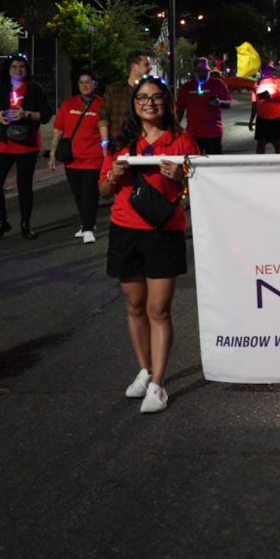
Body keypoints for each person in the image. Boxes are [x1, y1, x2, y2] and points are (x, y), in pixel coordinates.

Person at [98, 76, 199, 414]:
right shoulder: (120, 144)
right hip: (125, 229)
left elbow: (200, 188)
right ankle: (144, 370)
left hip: (165, 231)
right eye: (142, 98)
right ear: (134, 103)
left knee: (160, 309)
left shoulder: (183, 141)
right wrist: (112, 176)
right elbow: (103, 190)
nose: (149, 103)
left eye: (156, 97)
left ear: (167, 102)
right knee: (135, 306)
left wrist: (181, 177)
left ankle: (159, 384)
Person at [0, 53, 54, 240]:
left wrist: (26, 114)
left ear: (27, 69)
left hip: (27, 145)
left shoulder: (35, 89)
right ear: (8, 68)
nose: (18, 70)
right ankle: (2, 221)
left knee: (24, 186)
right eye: (14, 66)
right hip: (2, 143)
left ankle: (25, 224)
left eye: (22, 66)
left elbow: (46, 114)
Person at [49, 72, 104, 243]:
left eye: (89, 82)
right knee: (78, 193)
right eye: (81, 82)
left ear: (95, 84)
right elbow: (58, 130)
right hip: (72, 159)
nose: (85, 85)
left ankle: (87, 228)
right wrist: (52, 154)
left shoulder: (102, 105)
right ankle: (88, 222)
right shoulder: (68, 104)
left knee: (90, 193)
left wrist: (107, 153)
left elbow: (105, 132)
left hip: (93, 159)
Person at [98, 50, 151, 156]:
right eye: (146, 65)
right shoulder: (114, 90)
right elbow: (103, 117)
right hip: (119, 145)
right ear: (134, 67)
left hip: (145, 145)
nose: (150, 68)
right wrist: (105, 144)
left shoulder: (150, 90)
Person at [176, 57, 233, 154]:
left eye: (204, 71)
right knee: (192, 164)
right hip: (192, 134)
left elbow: (229, 103)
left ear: (209, 71)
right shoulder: (187, 87)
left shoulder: (218, 84)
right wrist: (175, 127)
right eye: (199, 71)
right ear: (194, 72)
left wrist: (219, 103)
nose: (202, 74)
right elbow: (180, 109)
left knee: (213, 164)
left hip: (213, 133)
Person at [249, 64, 280, 154]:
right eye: (267, 69)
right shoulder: (257, 84)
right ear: (262, 71)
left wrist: (271, 99)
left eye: (272, 69)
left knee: (278, 144)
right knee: (260, 144)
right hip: (261, 119)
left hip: (276, 118)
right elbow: (254, 103)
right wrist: (251, 120)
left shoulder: (279, 81)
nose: (270, 71)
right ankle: (260, 164)